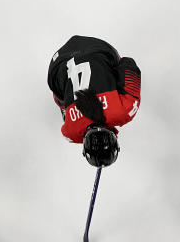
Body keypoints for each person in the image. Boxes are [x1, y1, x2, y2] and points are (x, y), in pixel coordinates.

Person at [47, 35, 141, 167]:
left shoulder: (124, 112)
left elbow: (128, 64)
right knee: (60, 99)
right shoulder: (70, 133)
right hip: (57, 64)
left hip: (98, 48)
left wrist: (109, 77)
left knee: (116, 67)